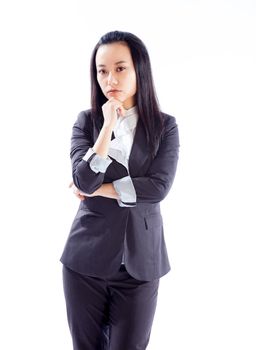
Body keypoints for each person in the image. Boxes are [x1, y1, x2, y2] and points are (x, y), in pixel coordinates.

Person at [60, 30, 180, 350]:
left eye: (120, 68)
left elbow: (158, 187)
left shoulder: (164, 126)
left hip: (141, 265)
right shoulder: (86, 122)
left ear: (139, 69)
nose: (110, 78)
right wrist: (107, 127)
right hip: (84, 262)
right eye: (102, 70)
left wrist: (101, 190)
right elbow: (84, 179)